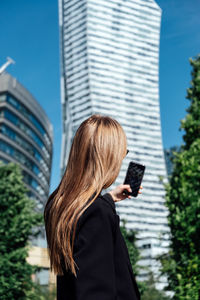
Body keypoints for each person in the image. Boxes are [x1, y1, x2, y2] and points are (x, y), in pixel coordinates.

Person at [44, 114, 142, 300]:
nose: (121, 160)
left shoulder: (64, 207)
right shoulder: (96, 213)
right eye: (123, 153)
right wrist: (103, 206)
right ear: (108, 156)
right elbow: (95, 292)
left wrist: (108, 199)